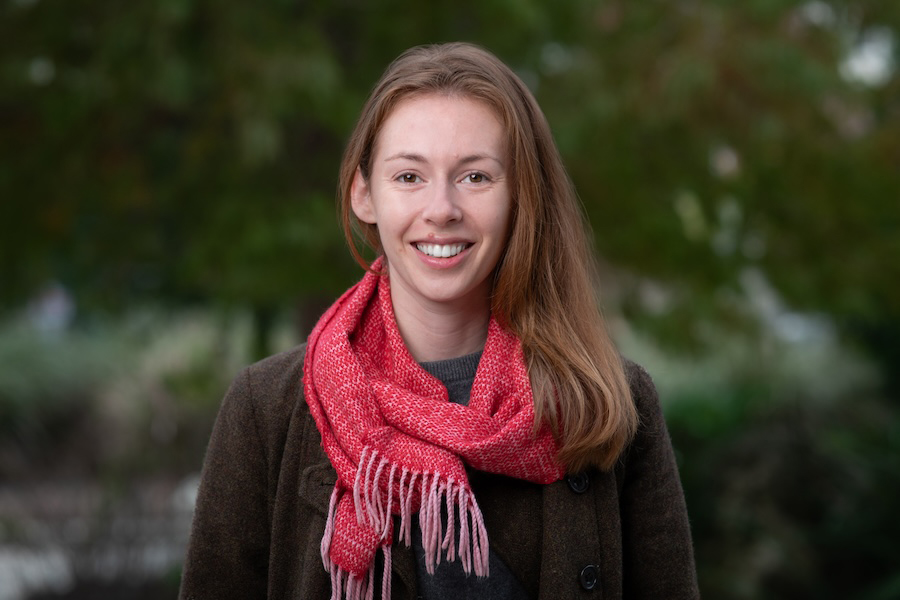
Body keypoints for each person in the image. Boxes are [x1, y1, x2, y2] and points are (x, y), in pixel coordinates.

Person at [178, 42, 699, 600]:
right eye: (409, 177)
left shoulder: (611, 401)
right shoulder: (267, 410)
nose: (442, 209)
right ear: (364, 193)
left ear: (521, 195)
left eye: (475, 177)